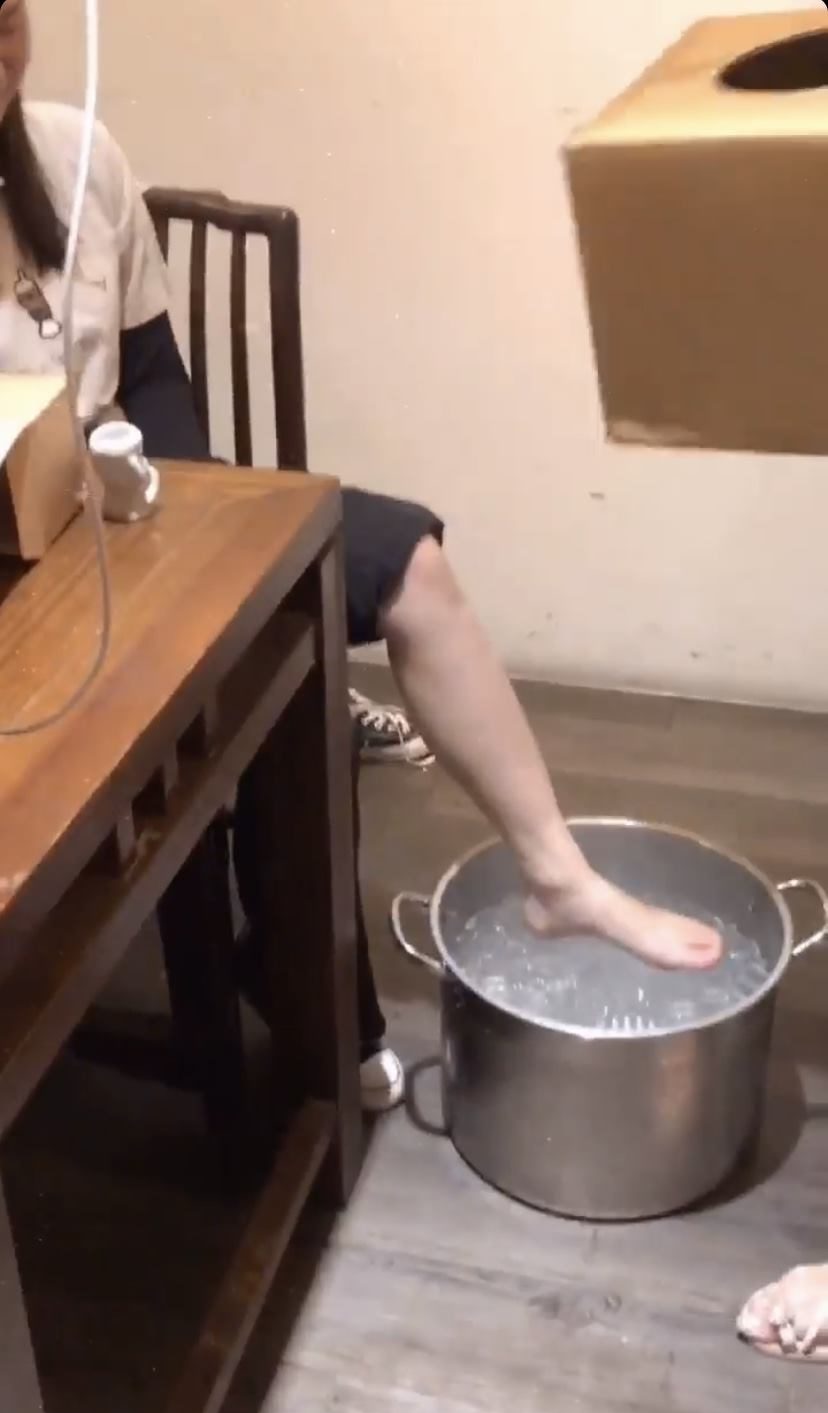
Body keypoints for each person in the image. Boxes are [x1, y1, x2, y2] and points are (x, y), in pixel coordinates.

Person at [0, 0, 721, 1116]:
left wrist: (189, 535)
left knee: (394, 565)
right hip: (21, 593)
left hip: (120, 528)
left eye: (9, 15)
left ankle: (556, 876)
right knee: (273, 692)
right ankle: (313, 999)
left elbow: (154, 383)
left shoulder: (76, 154)